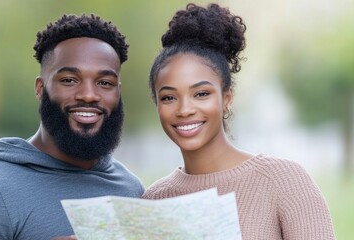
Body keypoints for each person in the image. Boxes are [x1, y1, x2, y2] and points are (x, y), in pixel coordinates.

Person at [0, 14, 144, 239]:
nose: (89, 95)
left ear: (118, 92)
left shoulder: (132, 190)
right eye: (69, 80)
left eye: (105, 83)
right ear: (40, 89)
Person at [142, 3, 335, 239]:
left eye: (201, 94)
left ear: (226, 99)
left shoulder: (284, 181)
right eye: (169, 97)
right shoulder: (153, 200)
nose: (184, 110)